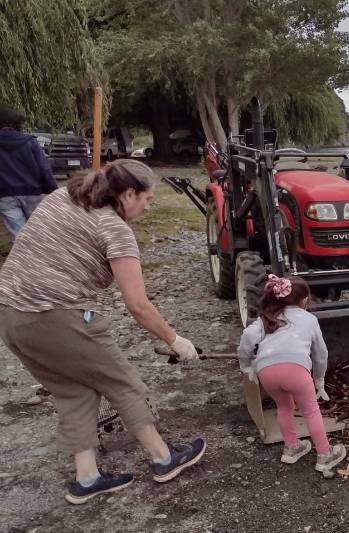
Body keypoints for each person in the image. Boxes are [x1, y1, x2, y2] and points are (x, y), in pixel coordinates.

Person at [0, 159, 206, 504]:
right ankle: (164, 458)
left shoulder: (60, 197)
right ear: (128, 193)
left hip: (9, 314)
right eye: (147, 198)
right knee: (122, 382)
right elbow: (138, 305)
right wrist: (174, 340)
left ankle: (87, 478)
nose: (147, 205)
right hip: (56, 315)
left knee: (73, 391)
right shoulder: (114, 230)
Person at [237, 274, 346, 472]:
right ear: (304, 300)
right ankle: (324, 454)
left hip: (266, 371)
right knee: (310, 410)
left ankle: (291, 448)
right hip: (295, 369)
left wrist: (247, 366)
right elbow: (321, 354)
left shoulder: (266, 319)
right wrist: (319, 380)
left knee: (283, 407)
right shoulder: (310, 319)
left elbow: (247, 336)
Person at [0, 106, 57, 241]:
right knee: (39, 233)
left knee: (19, 237)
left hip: (5, 196)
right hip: (32, 193)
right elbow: (44, 168)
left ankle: (23, 260)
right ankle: (41, 259)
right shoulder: (30, 141)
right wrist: (53, 190)